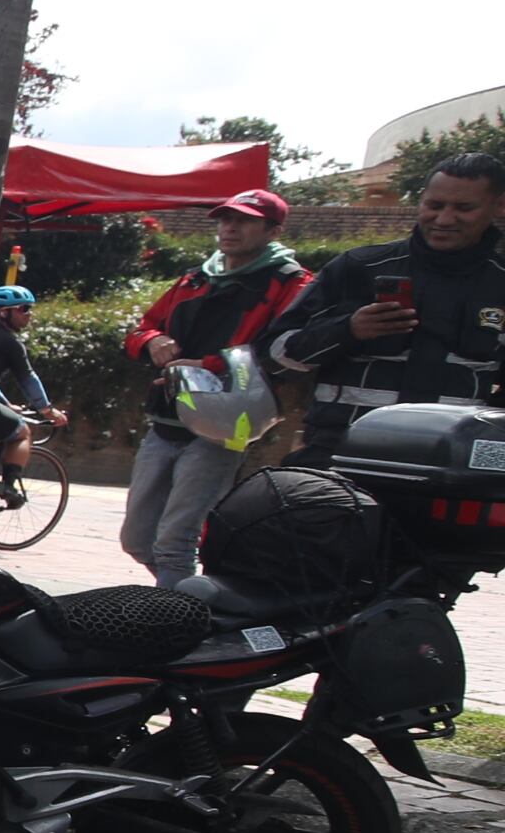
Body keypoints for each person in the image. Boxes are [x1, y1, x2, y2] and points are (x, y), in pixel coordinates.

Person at [264, 152, 505, 467]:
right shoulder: (357, 267)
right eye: (434, 205)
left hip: (448, 465)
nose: (444, 219)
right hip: (337, 454)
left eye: (464, 208)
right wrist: (347, 331)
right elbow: (272, 355)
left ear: (499, 206)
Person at [119, 189, 311, 585]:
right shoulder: (196, 277)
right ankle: (200, 599)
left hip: (227, 424)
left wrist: (206, 366)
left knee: (175, 540)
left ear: (273, 229)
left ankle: (173, 625)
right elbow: (141, 329)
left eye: (243, 220)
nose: (229, 228)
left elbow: (288, 350)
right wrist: (153, 341)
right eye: (225, 219)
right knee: (137, 539)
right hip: (166, 418)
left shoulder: (291, 282)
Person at [0, 286, 64, 491]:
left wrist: (5, 405)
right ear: (4, 312)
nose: (29, 314)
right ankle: (8, 487)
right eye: (24, 308)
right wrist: (47, 410)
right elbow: (27, 378)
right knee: (22, 432)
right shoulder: (9, 342)